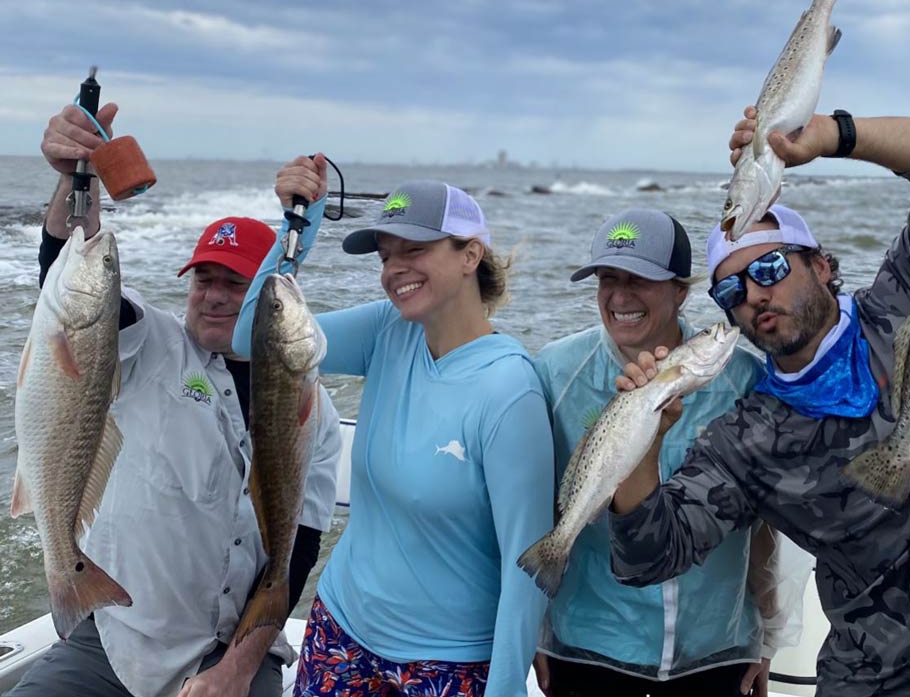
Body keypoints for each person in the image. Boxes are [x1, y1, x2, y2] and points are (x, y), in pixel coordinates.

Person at [608, 107, 910, 696]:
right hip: (877, 681)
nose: (753, 293)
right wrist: (642, 436)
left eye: (770, 266)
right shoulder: (748, 439)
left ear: (822, 264)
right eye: (731, 289)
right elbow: (649, 554)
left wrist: (833, 135)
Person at [5, 103, 342, 697]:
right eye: (202, 279)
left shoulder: (310, 411)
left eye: (233, 283)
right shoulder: (150, 343)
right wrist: (72, 178)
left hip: (232, 646)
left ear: (266, 291)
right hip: (113, 633)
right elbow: (71, 280)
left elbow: (297, 551)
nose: (212, 296)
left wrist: (233, 673)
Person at [231, 160, 555, 697]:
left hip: (446, 663)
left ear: (470, 254)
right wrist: (298, 224)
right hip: (340, 629)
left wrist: (504, 688)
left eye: (415, 250)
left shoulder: (509, 391)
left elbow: (527, 566)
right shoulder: (389, 330)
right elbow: (251, 337)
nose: (394, 269)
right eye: (386, 256)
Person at [530, 207, 809, 697]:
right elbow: (523, 511)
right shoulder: (554, 372)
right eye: (606, 279)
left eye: (639, 280)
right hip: (589, 650)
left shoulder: (746, 379)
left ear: (681, 290)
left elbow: (767, 525)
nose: (619, 297)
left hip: (716, 653)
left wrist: (766, 637)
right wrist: (528, 631)